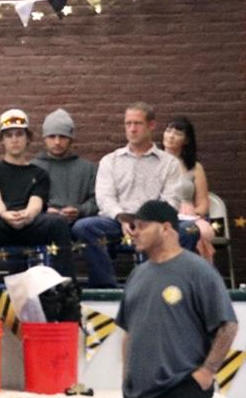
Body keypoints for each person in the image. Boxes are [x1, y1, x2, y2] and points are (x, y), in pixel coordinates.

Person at [116, 200, 238, 398]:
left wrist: (206, 371)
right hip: (140, 393)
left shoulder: (197, 270)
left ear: (167, 228)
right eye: (131, 225)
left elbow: (227, 325)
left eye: (141, 225)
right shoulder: (138, 275)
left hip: (182, 387)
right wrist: (127, 374)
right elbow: (128, 330)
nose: (134, 232)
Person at [72, 103, 198, 288]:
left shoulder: (168, 163)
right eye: (128, 123)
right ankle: (105, 288)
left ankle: (170, 284)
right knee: (84, 227)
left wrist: (147, 222)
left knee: (190, 229)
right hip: (117, 223)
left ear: (151, 125)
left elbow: (171, 200)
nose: (132, 129)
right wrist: (123, 219)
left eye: (137, 123)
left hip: (156, 223)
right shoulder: (110, 161)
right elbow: (104, 198)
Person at [0, 109, 74, 276]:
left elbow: (36, 203)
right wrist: (4, 214)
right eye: (9, 135)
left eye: (19, 134)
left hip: (29, 226)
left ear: (28, 138)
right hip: (1, 224)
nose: (14, 140)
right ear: (2, 140)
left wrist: (27, 215)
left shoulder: (39, 174)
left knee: (58, 224)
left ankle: (65, 288)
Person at [162, 116, 216, 264]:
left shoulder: (195, 167)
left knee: (195, 231)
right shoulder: (152, 162)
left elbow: (203, 204)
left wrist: (189, 215)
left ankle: (191, 275)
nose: (171, 136)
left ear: (186, 140)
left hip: (188, 217)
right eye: (168, 131)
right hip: (161, 216)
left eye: (178, 133)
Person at [31, 108, 97, 225]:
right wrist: (43, 210)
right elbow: (22, 202)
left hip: (79, 225)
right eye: (52, 136)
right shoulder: (32, 168)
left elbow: (97, 200)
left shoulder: (88, 169)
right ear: (44, 139)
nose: (57, 142)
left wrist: (79, 210)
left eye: (62, 136)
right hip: (43, 226)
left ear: (70, 139)